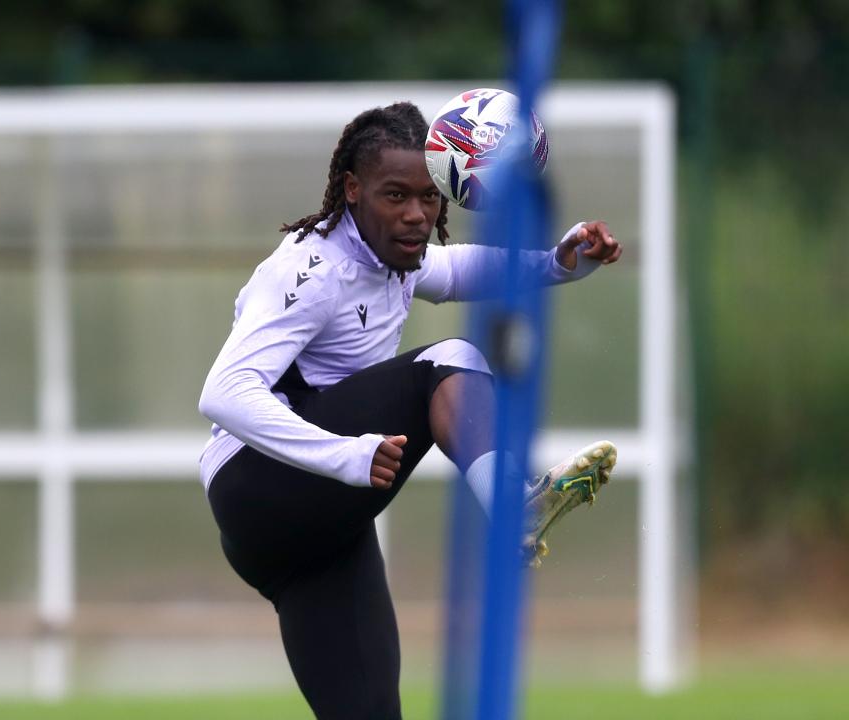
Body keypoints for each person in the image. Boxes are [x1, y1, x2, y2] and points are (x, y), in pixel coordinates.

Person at [198, 101, 621, 720]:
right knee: (449, 359)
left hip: (310, 538)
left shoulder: (396, 255)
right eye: (395, 195)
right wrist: (346, 454)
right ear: (351, 190)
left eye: (429, 198)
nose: (416, 215)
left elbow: (460, 267)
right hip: (255, 487)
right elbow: (224, 392)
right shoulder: (310, 268)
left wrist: (558, 264)